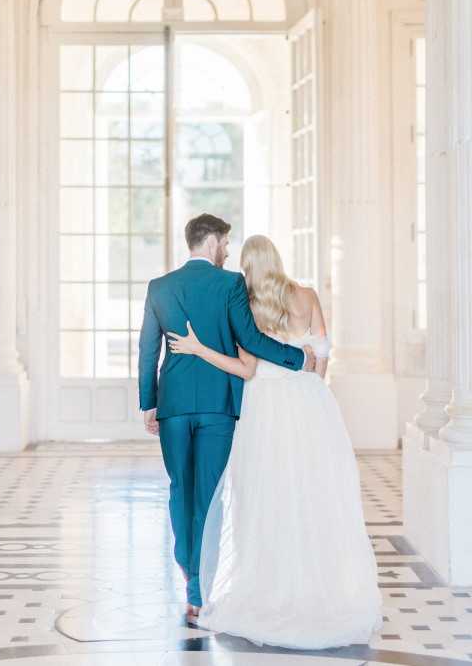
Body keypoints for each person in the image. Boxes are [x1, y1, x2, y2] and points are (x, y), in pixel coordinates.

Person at [168, 234, 382, 648]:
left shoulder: (245, 305)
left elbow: (245, 368)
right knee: (315, 496)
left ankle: (271, 586)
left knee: (265, 499)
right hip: (311, 405)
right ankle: (320, 587)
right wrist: (309, 390)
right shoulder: (306, 295)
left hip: (265, 407)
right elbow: (321, 354)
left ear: (248, 267)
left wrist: (197, 349)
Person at [138, 215, 316, 620]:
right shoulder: (230, 283)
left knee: (180, 489)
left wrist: (149, 402)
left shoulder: (159, 288)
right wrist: (296, 358)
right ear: (213, 241)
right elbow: (250, 340)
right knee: (208, 494)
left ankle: (187, 565)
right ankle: (197, 587)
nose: (228, 250)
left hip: (174, 406)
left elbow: (148, 350)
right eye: (225, 242)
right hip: (218, 405)